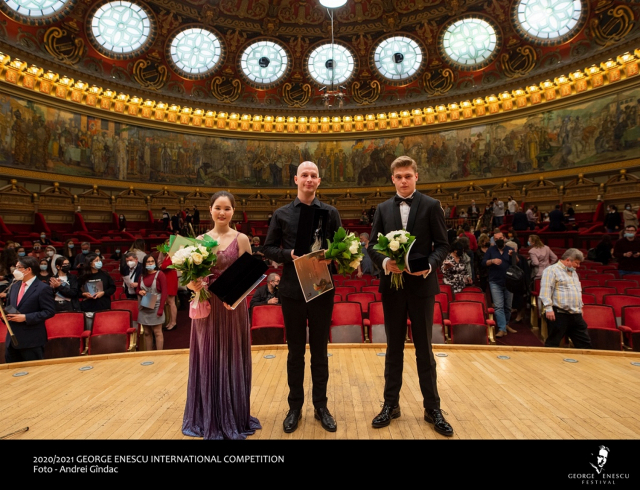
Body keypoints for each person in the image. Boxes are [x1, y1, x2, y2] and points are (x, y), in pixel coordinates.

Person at [367, 156, 453, 436]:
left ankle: (433, 408)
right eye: (399, 176)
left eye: (408, 175)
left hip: (422, 288)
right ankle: (390, 405)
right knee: (393, 348)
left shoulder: (431, 206)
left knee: (424, 349)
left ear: (416, 176)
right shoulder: (381, 208)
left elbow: (442, 245)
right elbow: (372, 246)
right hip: (392, 288)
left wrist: (428, 266)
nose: (403, 180)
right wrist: (384, 263)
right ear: (392, 179)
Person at [262, 161, 342, 434]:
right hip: (293, 291)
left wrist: (336, 255)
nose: (309, 179)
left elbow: (340, 247)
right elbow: (269, 248)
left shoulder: (330, 213)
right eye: (304, 175)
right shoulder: (281, 214)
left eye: (314, 176)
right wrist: (289, 256)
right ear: (296, 179)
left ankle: (321, 406)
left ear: (319, 181)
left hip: (320, 287)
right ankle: (294, 407)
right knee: (295, 352)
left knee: (320, 351)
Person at [182, 191, 261, 440]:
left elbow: (249, 277)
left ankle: (234, 416)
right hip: (207, 306)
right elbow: (187, 277)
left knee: (231, 356)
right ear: (210, 210)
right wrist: (191, 285)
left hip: (232, 308)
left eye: (227, 208)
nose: (222, 212)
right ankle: (208, 416)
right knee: (207, 355)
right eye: (218, 208)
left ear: (233, 212)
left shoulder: (242, 239)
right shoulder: (198, 239)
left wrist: (235, 297)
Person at [4, 256, 55, 362]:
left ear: (28, 269)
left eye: (18, 267)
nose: (15, 270)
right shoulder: (14, 286)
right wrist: (5, 315)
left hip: (31, 340)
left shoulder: (43, 288)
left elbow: (49, 311)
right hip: (12, 340)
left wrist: (26, 317)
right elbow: (9, 306)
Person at [539, 249, 591, 349]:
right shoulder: (551, 270)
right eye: (577, 263)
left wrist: (580, 308)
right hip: (559, 314)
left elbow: (577, 291)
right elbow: (545, 291)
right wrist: (548, 309)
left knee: (585, 344)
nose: (578, 266)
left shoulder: (574, 272)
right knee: (553, 343)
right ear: (568, 260)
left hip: (575, 314)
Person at [484, 231, 517, 338]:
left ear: (504, 238)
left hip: (509, 282)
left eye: (500, 238)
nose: (499, 240)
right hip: (495, 281)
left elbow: (517, 263)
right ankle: (502, 328)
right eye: (496, 238)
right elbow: (483, 262)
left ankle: (506, 324)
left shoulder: (510, 249)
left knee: (508, 306)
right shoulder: (491, 250)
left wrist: (514, 256)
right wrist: (492, 261)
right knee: (498, 306)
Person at [137, 254, 167, 351]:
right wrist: (140, 292)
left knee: (157, 332)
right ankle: (149, 353)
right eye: (148, 262)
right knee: (146, 332)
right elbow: (137, 289)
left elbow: (164, 292)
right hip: (145, 306)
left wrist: (161, 309)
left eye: (152, 261)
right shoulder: (141, 276)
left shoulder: (160, 274)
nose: (150, 263)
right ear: (144, 264)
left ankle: (159, 354)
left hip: (157, 305)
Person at [158, 240, 179, 331]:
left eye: (168, 244)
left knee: (171, 302)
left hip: (171, 278)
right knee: (169, 301)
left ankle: (173, 322)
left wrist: (161, 265)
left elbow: (163, 266)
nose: (167, 246)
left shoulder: (173, 254)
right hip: (167, 278)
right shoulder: (167, 255)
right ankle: (170, 321)